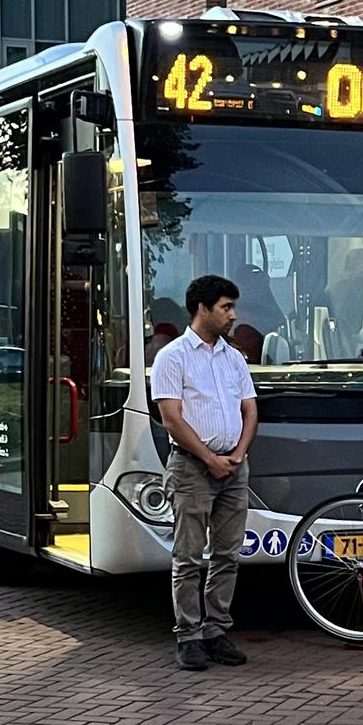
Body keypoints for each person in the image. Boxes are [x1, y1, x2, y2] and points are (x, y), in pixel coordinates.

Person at [152, 274, 259, 672]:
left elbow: (250, 409)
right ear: (202, 309)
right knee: (188, 556)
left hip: (233, 466)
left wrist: (237, 454)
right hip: (191, 466)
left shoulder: (233, 358)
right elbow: (171, 418)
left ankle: (216, 630)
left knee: (228, 554)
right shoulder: (172, 356)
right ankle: (189, 636)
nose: (233, 315)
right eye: (225, 308)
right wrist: (210, 458)